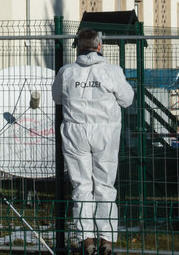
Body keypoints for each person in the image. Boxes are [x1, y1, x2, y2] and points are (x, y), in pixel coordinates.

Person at [52, 29, 134, 255]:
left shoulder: (66, 71)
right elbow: (127, 99)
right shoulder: (112, 71)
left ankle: (86, 238)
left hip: (75, 130)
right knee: (105, 185)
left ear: (78, 46)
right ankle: (106, 239)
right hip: (105, 131)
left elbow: (57, 97)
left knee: (82, 186)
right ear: (99, 46)